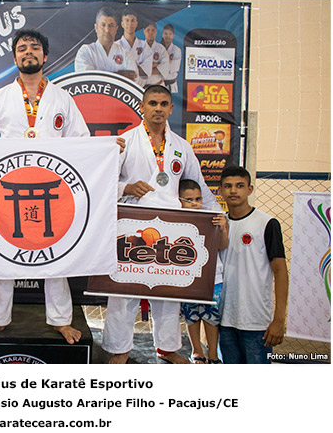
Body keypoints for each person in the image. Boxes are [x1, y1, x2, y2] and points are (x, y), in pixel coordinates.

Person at [0, 29, 124, 345]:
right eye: (22, 48)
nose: (28, 52)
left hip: (54, 188)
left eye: (34, 47)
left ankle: (61, 320)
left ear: (45, 56)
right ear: (14, 58)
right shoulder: (0, 98)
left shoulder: (62, 98)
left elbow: (80, 141)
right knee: (2, 253)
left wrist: (104, 149)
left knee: (56, 253)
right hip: (8, 188)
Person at [102, 84, 220, 364]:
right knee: (124, 290)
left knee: (168, 291)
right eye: (152, 103)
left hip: (171, 227)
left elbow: (199, 187)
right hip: (131, 225)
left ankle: (166, 348)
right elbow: (102, 182)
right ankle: (119, 349)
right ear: (141, 107)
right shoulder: (125, 142)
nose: (158, 108)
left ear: (171, 108)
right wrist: (126, 187)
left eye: (164, 104)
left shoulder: (182, 147)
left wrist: (217, 216)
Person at [218, 166, 289, 364]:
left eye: (240, 186)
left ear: (249, 189)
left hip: (257, 323)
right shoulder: (218, 224)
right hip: (224, 320)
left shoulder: (267, 223)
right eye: (228, 186)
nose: (233, 191)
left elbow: (280, 272)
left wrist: (279, 319)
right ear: (220, 190)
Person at [178, 179, 228, 364]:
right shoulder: (175, 221)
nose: (195, 203)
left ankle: (213, 354)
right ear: (179, 200)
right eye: (189, 200)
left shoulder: (212, 217)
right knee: (191, 314)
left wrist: (223, 229)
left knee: (212, 316)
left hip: (213, 276)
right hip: (188, 276)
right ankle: (197, 351)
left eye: (198, 199)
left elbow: (222, 245)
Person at [74, 7, 140, 83]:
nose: (107, 30)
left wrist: (99, 76)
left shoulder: (125, 53)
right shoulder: (86, 51)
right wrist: (120, 75)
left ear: (116, 28)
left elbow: (134, 80)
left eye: (111, 25)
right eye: (103, 25)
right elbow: (87, 80)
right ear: (96, 27)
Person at [117, 8, 153, 85]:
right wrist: (136, 67)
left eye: (132, 20)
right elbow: (113, 70)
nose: (130, 24)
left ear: (136, 24)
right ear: (122, 24)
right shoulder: (116, 45)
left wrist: (125, 70)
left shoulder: (144, 46)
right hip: (120, 86)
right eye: (127, 20)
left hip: (139, 87)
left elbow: (146, 72)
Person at [138, 23, 170, 87]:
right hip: (141, 87)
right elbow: (136, 68)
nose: (150, 33)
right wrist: (156, 65)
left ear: (156, 32)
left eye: (153, 30)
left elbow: (165, 67)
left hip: (158, 85)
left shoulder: (161, 48)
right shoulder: (138, 47)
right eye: (148, 30)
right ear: (144, 31)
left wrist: (145, 69)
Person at [160, 24, 182, 93]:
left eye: (170, 34)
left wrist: (159, 65)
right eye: (165, 33)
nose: (167, 36)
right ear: (162, 34)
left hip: (171, 85)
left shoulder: (176, 50)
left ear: (173, 36)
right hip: (159, 84)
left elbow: (172, 69)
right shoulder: (158, 48)